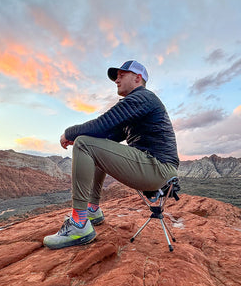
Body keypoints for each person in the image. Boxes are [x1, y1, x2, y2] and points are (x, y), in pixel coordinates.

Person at [43, 60, 179, 249]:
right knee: (93, 147)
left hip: (157, 168)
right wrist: (82, 136)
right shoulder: (139, 105)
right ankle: (93, 210)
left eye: (121, 75)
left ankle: (79, 224)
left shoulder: (143, 98)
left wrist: (69, 133)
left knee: (84, 144)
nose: (116, 80)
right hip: (154, 167)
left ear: (137, 78)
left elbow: (102, 124)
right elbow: (108, 135)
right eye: (116, 77)